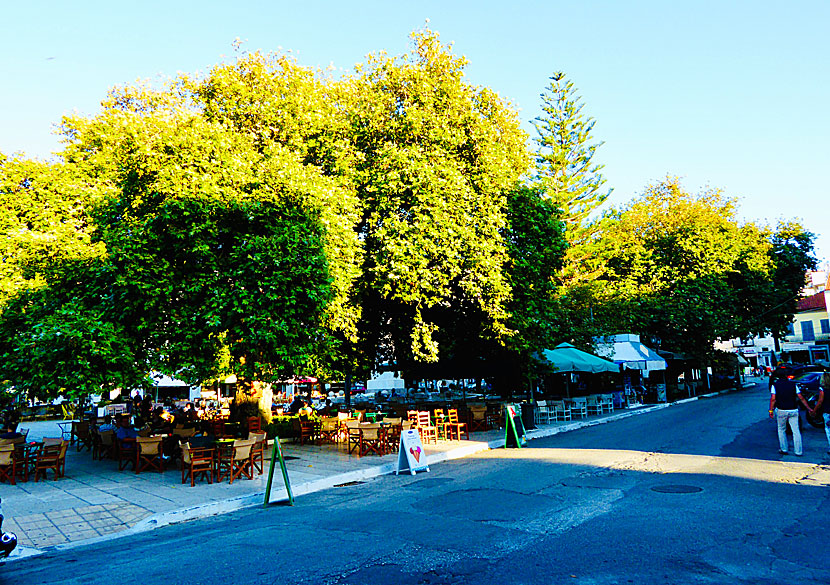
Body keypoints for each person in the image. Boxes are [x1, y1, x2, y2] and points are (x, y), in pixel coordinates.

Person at [769, 374, 811, 456]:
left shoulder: (775, 385)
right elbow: (801, 397)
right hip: (793, 409)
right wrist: (808, 408)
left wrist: (771, 410)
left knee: (781, 429)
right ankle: (798, 451)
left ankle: (784, 449)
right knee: (796, 431)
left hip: (781, 409)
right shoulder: (793, 384)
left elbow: (773, 399)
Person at [808, 372, 830, 454]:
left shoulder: (822, 389)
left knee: (828, 430)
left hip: (827, 411)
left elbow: (820, 401)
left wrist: (814, 410)